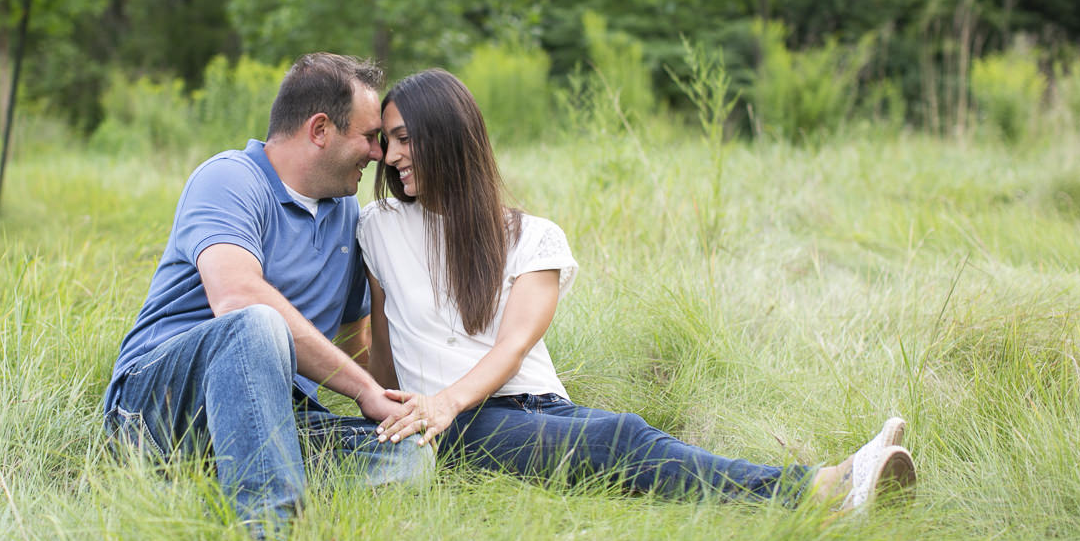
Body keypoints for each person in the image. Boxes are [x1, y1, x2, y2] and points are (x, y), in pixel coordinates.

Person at [356, 68, 916, 511]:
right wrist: (390, 415)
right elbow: (383, 352)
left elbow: (513, 349)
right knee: (619, 438)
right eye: (387, 140)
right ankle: (819, 490)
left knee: (626, 435)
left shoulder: (532, 238)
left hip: (534, 406)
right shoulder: (378, 228)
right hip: (453, 427)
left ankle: (838, 482)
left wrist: (446, 400)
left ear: (449, 138)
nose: (391, 155)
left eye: (404, 139)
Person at [103, 53, 434, 539]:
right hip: (157, 404)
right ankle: (272, 539)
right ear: (320, 129)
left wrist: (405, 403)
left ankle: (221, 481)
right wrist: (361, 390)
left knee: (408, 454)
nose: (379, 154)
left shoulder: (345, 213)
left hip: (277, 413)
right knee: (256, 323)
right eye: (368, 137)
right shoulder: (230, 178)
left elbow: (353, 339)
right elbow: (236, 297)